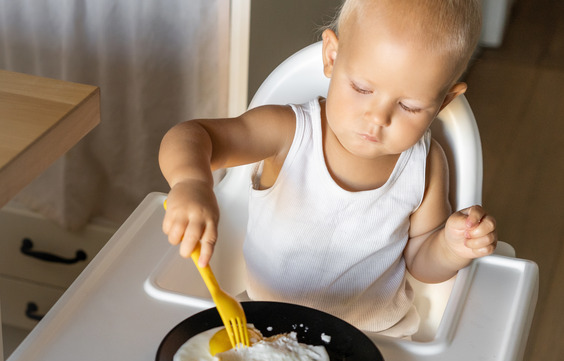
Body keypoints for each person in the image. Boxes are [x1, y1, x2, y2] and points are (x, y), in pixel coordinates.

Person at [157, 0, 498, 337]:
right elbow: (193, 135)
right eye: (362, 88)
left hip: (376, 341)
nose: (378, 117)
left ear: (444, 101)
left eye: (409, 106)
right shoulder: (286, 132)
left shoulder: (425, 165)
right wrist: (191, 181)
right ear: (332, 57)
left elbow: (422, 260)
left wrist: (452, 248)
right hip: (265, 326)